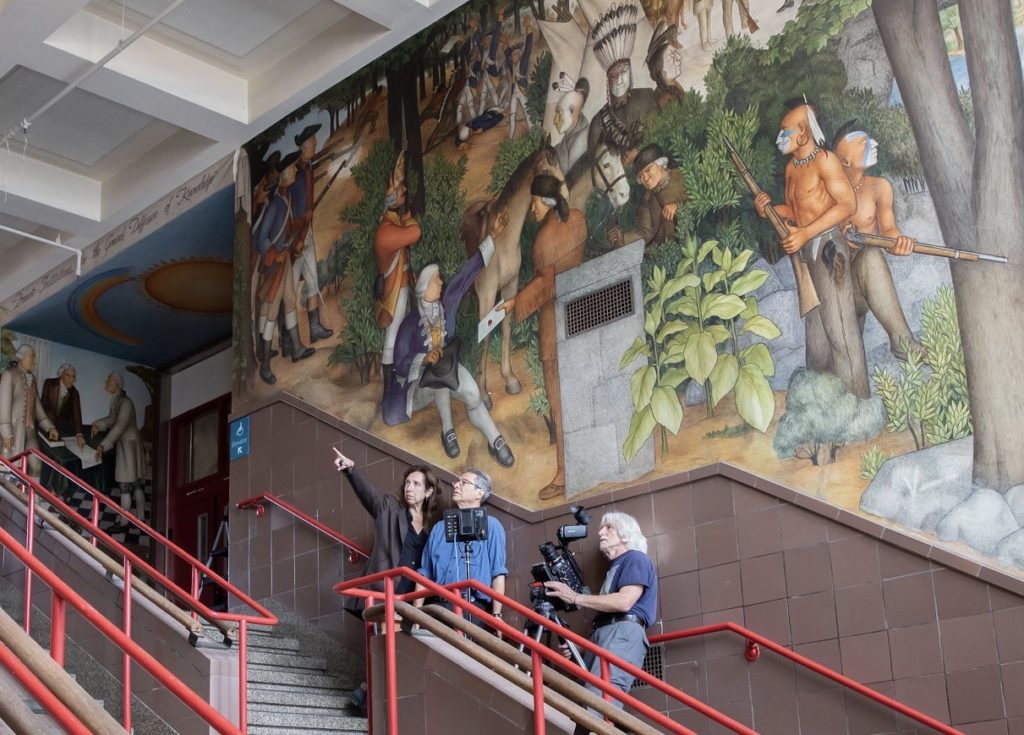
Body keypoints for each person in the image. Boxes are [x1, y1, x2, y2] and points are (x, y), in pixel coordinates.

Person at [754, 98, 870, 398]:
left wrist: (805, 233)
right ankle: (826, 410)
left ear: (803, 133)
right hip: (806, 257)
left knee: (841, 333)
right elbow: (797, 211)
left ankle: (859, 404)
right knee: (817, 345)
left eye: (786, 131)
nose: (781, 137)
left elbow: (847, 205)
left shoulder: (826, 161)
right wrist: (768, 209)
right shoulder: (792, 169)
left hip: (829, 249)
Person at [381, 236, 515, 468]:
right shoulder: (410, 324)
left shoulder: (448, 302)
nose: (441, 282)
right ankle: (448, 431)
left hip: (449, 367)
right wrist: (424, 358)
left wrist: (493, 237)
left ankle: (496, 440)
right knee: (438, 378)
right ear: (424, 287)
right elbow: (400, 363)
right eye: (436, 280)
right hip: (421, 385)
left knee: (473, 394)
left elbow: (466, 273)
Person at [332, 448, 442, 716]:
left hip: (411, 599)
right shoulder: (390, 508)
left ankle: (364, 694)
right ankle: (370, 701)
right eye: (407, 483)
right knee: (387, 645)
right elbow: (369, 497)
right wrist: (351, 469)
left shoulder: (431, 526)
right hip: (384, 592)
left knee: (396, 648)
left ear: (428, 491)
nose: (409, 488)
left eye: (417, 484)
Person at [499, 174, 587, 501]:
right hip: (581, 318)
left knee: (559, 403)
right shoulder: (577, 220)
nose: (532, 209)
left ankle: (564, 475)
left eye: (534, 202)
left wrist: (514, 302)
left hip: (554, 328)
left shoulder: (544, 238)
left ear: (543, 201)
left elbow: (547, 282)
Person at [543, 512, 658, 735]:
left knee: (598, 702)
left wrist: (575, 597)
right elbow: (609, 617)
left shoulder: (635, 558)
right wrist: (582, 648)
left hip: (624, 632)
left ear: (625, 534)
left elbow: (625, 602)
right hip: (607, 635)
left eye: (608, 528)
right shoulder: (616, 567)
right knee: (591, 702)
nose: (600, 532)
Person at [832, 123, 923, 360]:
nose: (875, 144)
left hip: (864, 288)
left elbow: (889, 230)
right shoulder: (826, 190)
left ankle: (903, 343)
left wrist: (899, 242)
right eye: (864, 143)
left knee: (871, 254)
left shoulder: (880, 187)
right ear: (844, 159)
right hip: (835, 289)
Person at [253, 151, 315, 385]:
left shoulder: (285, 200)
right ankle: (265, 363)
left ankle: (297, 347)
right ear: (285, 174)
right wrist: (274, 253)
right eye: (293, 169)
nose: (296, 172)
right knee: (270, 310)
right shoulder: (276, 204)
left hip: (284, 259)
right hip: (276, 262)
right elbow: (262, 238)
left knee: (290, 300)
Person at [414, 467, 507, 623]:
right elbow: (424, 574)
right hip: (439, 606)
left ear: (480, 492)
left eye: (464, 482)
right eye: (457, 482)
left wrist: (497, 614)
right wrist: (416, 615)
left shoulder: (491, 525)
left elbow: (497, 572)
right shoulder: (439, 529)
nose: (456, 485)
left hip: (473, 606)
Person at [374, 151, 419, 394]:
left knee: (402, 332)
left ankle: (399, 380)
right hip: (395, 290)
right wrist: (410, 220)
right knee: (392, 337)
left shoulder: (392, 224)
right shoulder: (386, 231)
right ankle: (389, 387)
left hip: (402, 285)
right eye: (400, 191)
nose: (404, 193)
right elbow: (415, 233)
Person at [286, 123, 334, 345]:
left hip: (308, 233)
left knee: (313, 279)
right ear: (305, 146)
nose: (316, 143)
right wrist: (297, 234)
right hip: (295, 236)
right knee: (291, 285)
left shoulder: (307, 168)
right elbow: (289, 206)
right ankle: (288, 338)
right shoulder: (294, 172)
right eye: (313, 141)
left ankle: (314, 328)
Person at [608, 143, 688, 249]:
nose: (645, 178)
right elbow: (645, 232)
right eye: (640, 176)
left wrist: (679, 207)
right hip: (666, 252)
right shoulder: (646, 199)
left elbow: (703, 203)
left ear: (661, 164)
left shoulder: (682, 177)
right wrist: (623, 238)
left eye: (648, 169)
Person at [92, 372, 146, 521]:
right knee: (132, 483)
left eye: (108, 381)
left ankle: (127, 521)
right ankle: (133, 520)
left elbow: (119, 425)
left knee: (129, 484)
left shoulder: (125, 402)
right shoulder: (118, 400)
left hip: (129, 446)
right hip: (125, 445)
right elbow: (111, 419)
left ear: (116, 384)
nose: (106, 383)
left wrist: (103, 445)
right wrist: (98, 424)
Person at [0, 345, 58, 482]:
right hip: (13, 431)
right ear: (22, 356)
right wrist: (6, 433)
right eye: (32, 357)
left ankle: (33, 500)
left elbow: (37, 406)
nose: (35, 361)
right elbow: (3, 404)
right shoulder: (9, 374)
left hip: (30, 431)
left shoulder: (32, 377)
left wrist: (49, 427)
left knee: (36, 464)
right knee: (10, 467)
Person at [552, 75, 590, 172]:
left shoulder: (582, 141)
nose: (555, 120)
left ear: (572, 111)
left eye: (559, 113)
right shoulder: (569, 137)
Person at [40, 363, 85, 447]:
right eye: (68, 375)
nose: (71, 379)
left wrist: (79, 435)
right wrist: (48, 426)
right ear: (61, 375)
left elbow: (77, 415)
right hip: (46, 425)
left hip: (63, 429)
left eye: (73, 376)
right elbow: (43, 405)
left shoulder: (75, 393)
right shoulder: (49, 383)